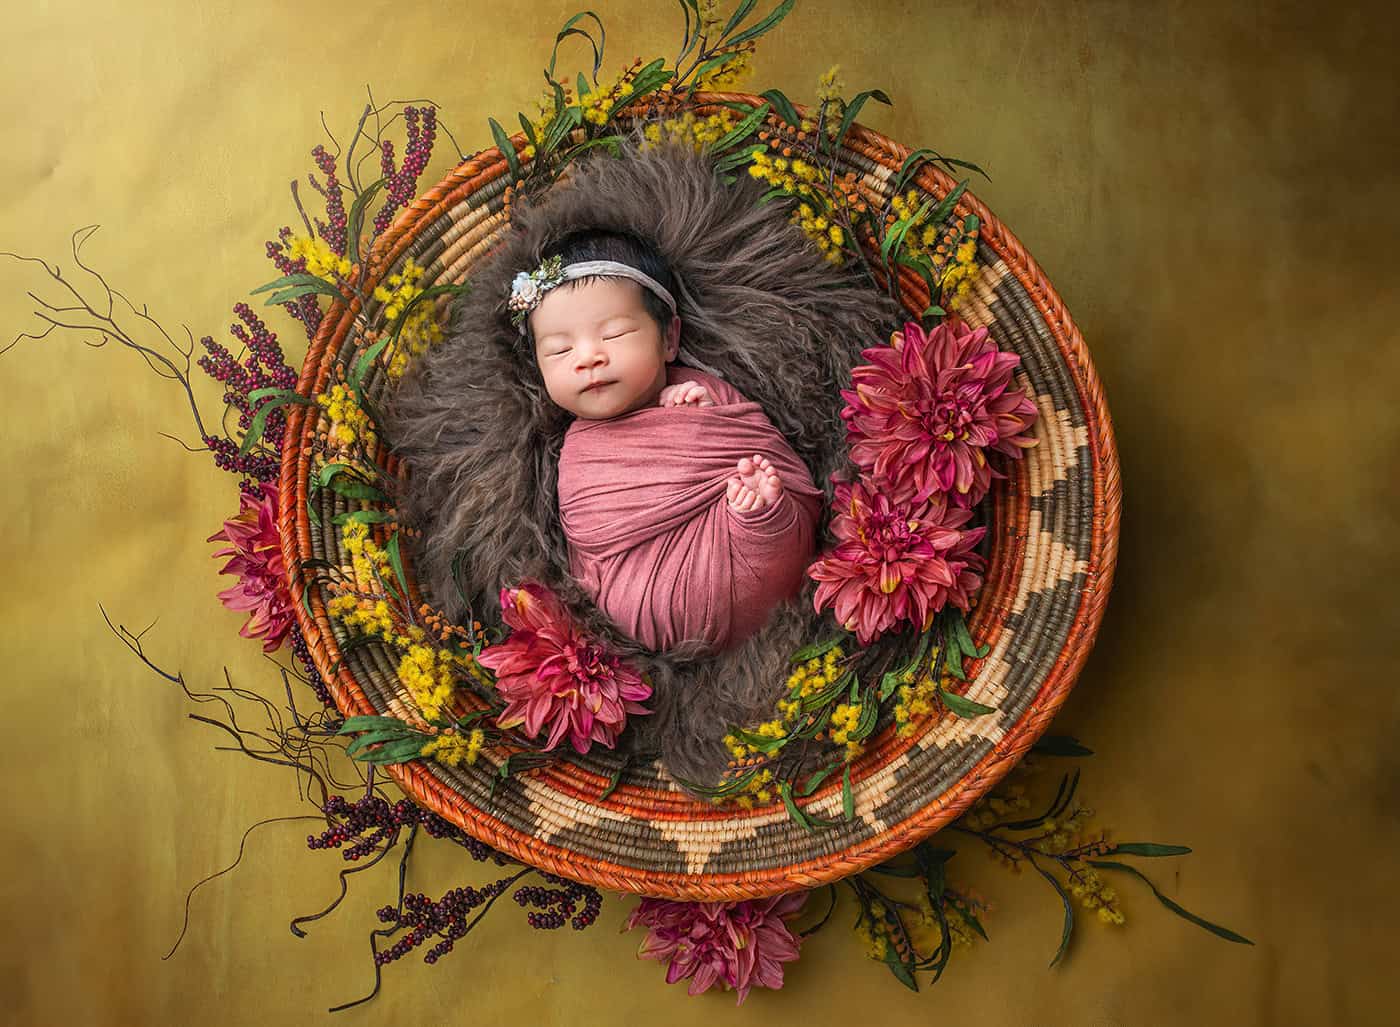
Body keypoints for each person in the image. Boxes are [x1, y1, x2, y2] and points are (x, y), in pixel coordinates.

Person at [512, 228, 823, 653]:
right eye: (560, 351)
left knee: (765, 501)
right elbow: (588, 534)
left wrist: (704, 416)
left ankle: (760, 518)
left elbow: (755, 443)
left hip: (737, 556)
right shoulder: (575, 449)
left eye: (615, 335)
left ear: (669, 338)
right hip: (637, 600)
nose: (588, 358)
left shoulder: (701, 389)